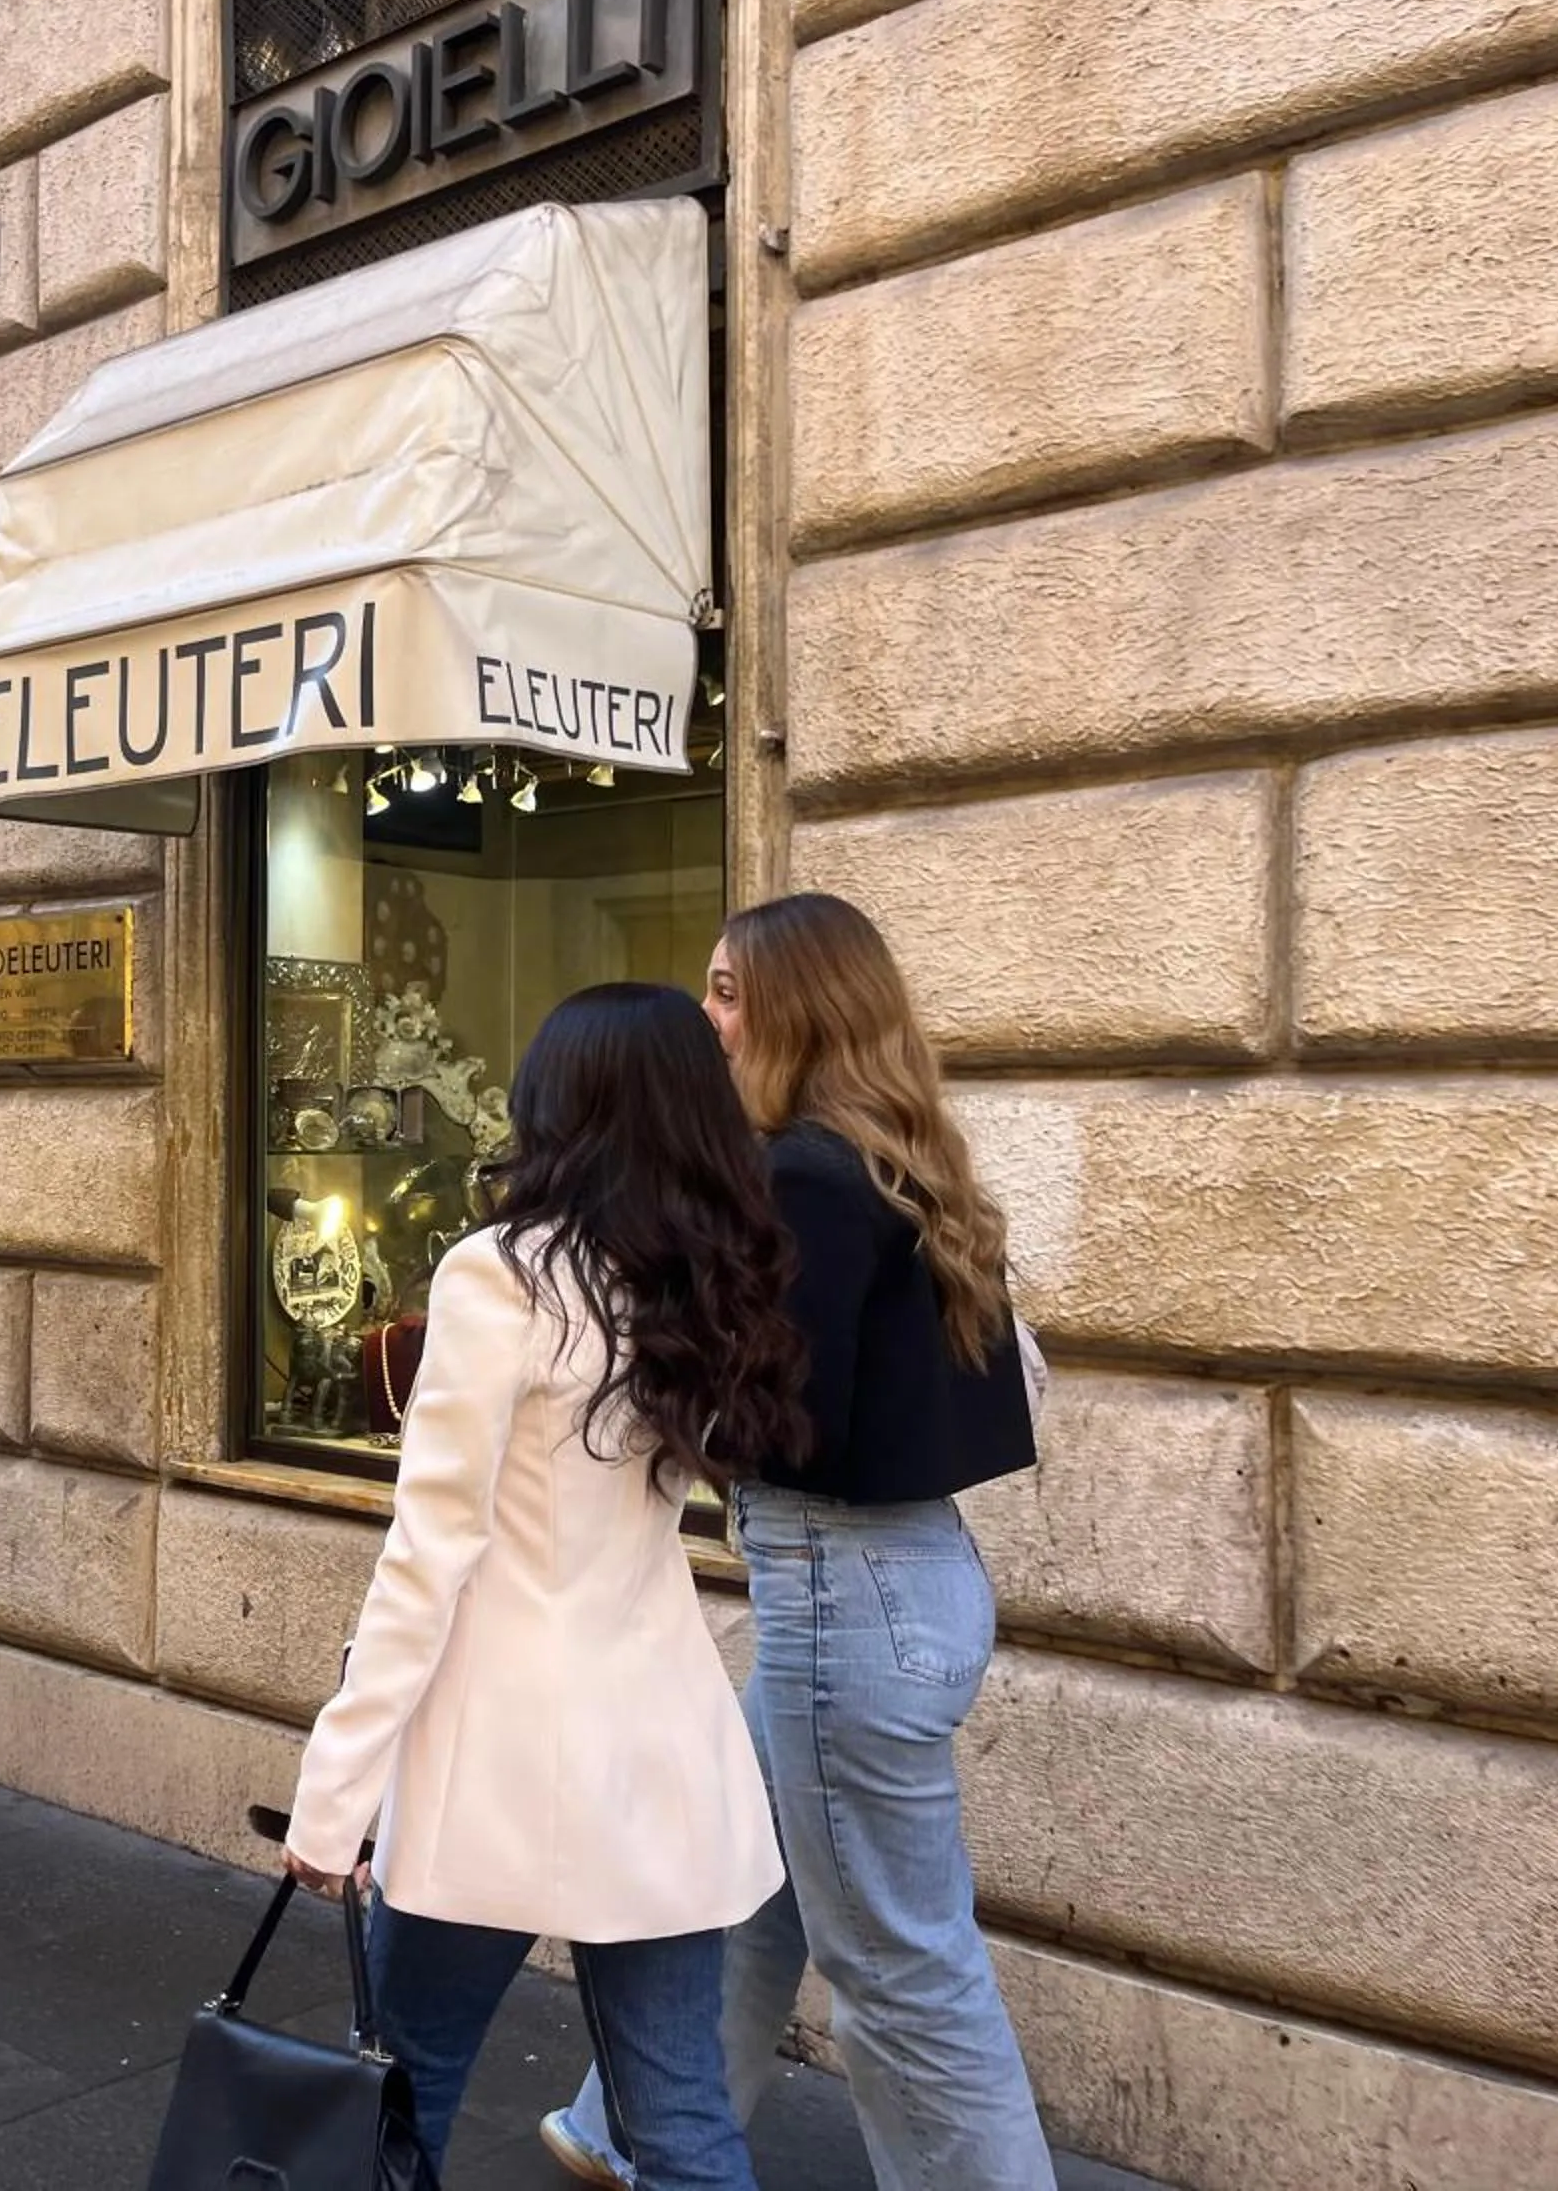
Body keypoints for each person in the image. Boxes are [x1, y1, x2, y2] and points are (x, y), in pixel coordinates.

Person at [547, 895, 1053, 2191]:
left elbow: (779, 1418)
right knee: (753, 1882)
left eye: (726, 990)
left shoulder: (807, 1176)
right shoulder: (891, 1160)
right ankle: (632, 2126)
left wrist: (643, 1363)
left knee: (897, 1964)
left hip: (843, 1598)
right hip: (901, 1583)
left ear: (796, 1006)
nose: (705, 1017)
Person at [281, 984, 811, 2189]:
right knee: (680, 2118)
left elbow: (431, 1554)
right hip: (658, 1741)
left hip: (499, 1758)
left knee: (400, 2096)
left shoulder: (501, 1275)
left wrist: (335, 1788)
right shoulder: (706, 1280)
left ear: (556, 1106)